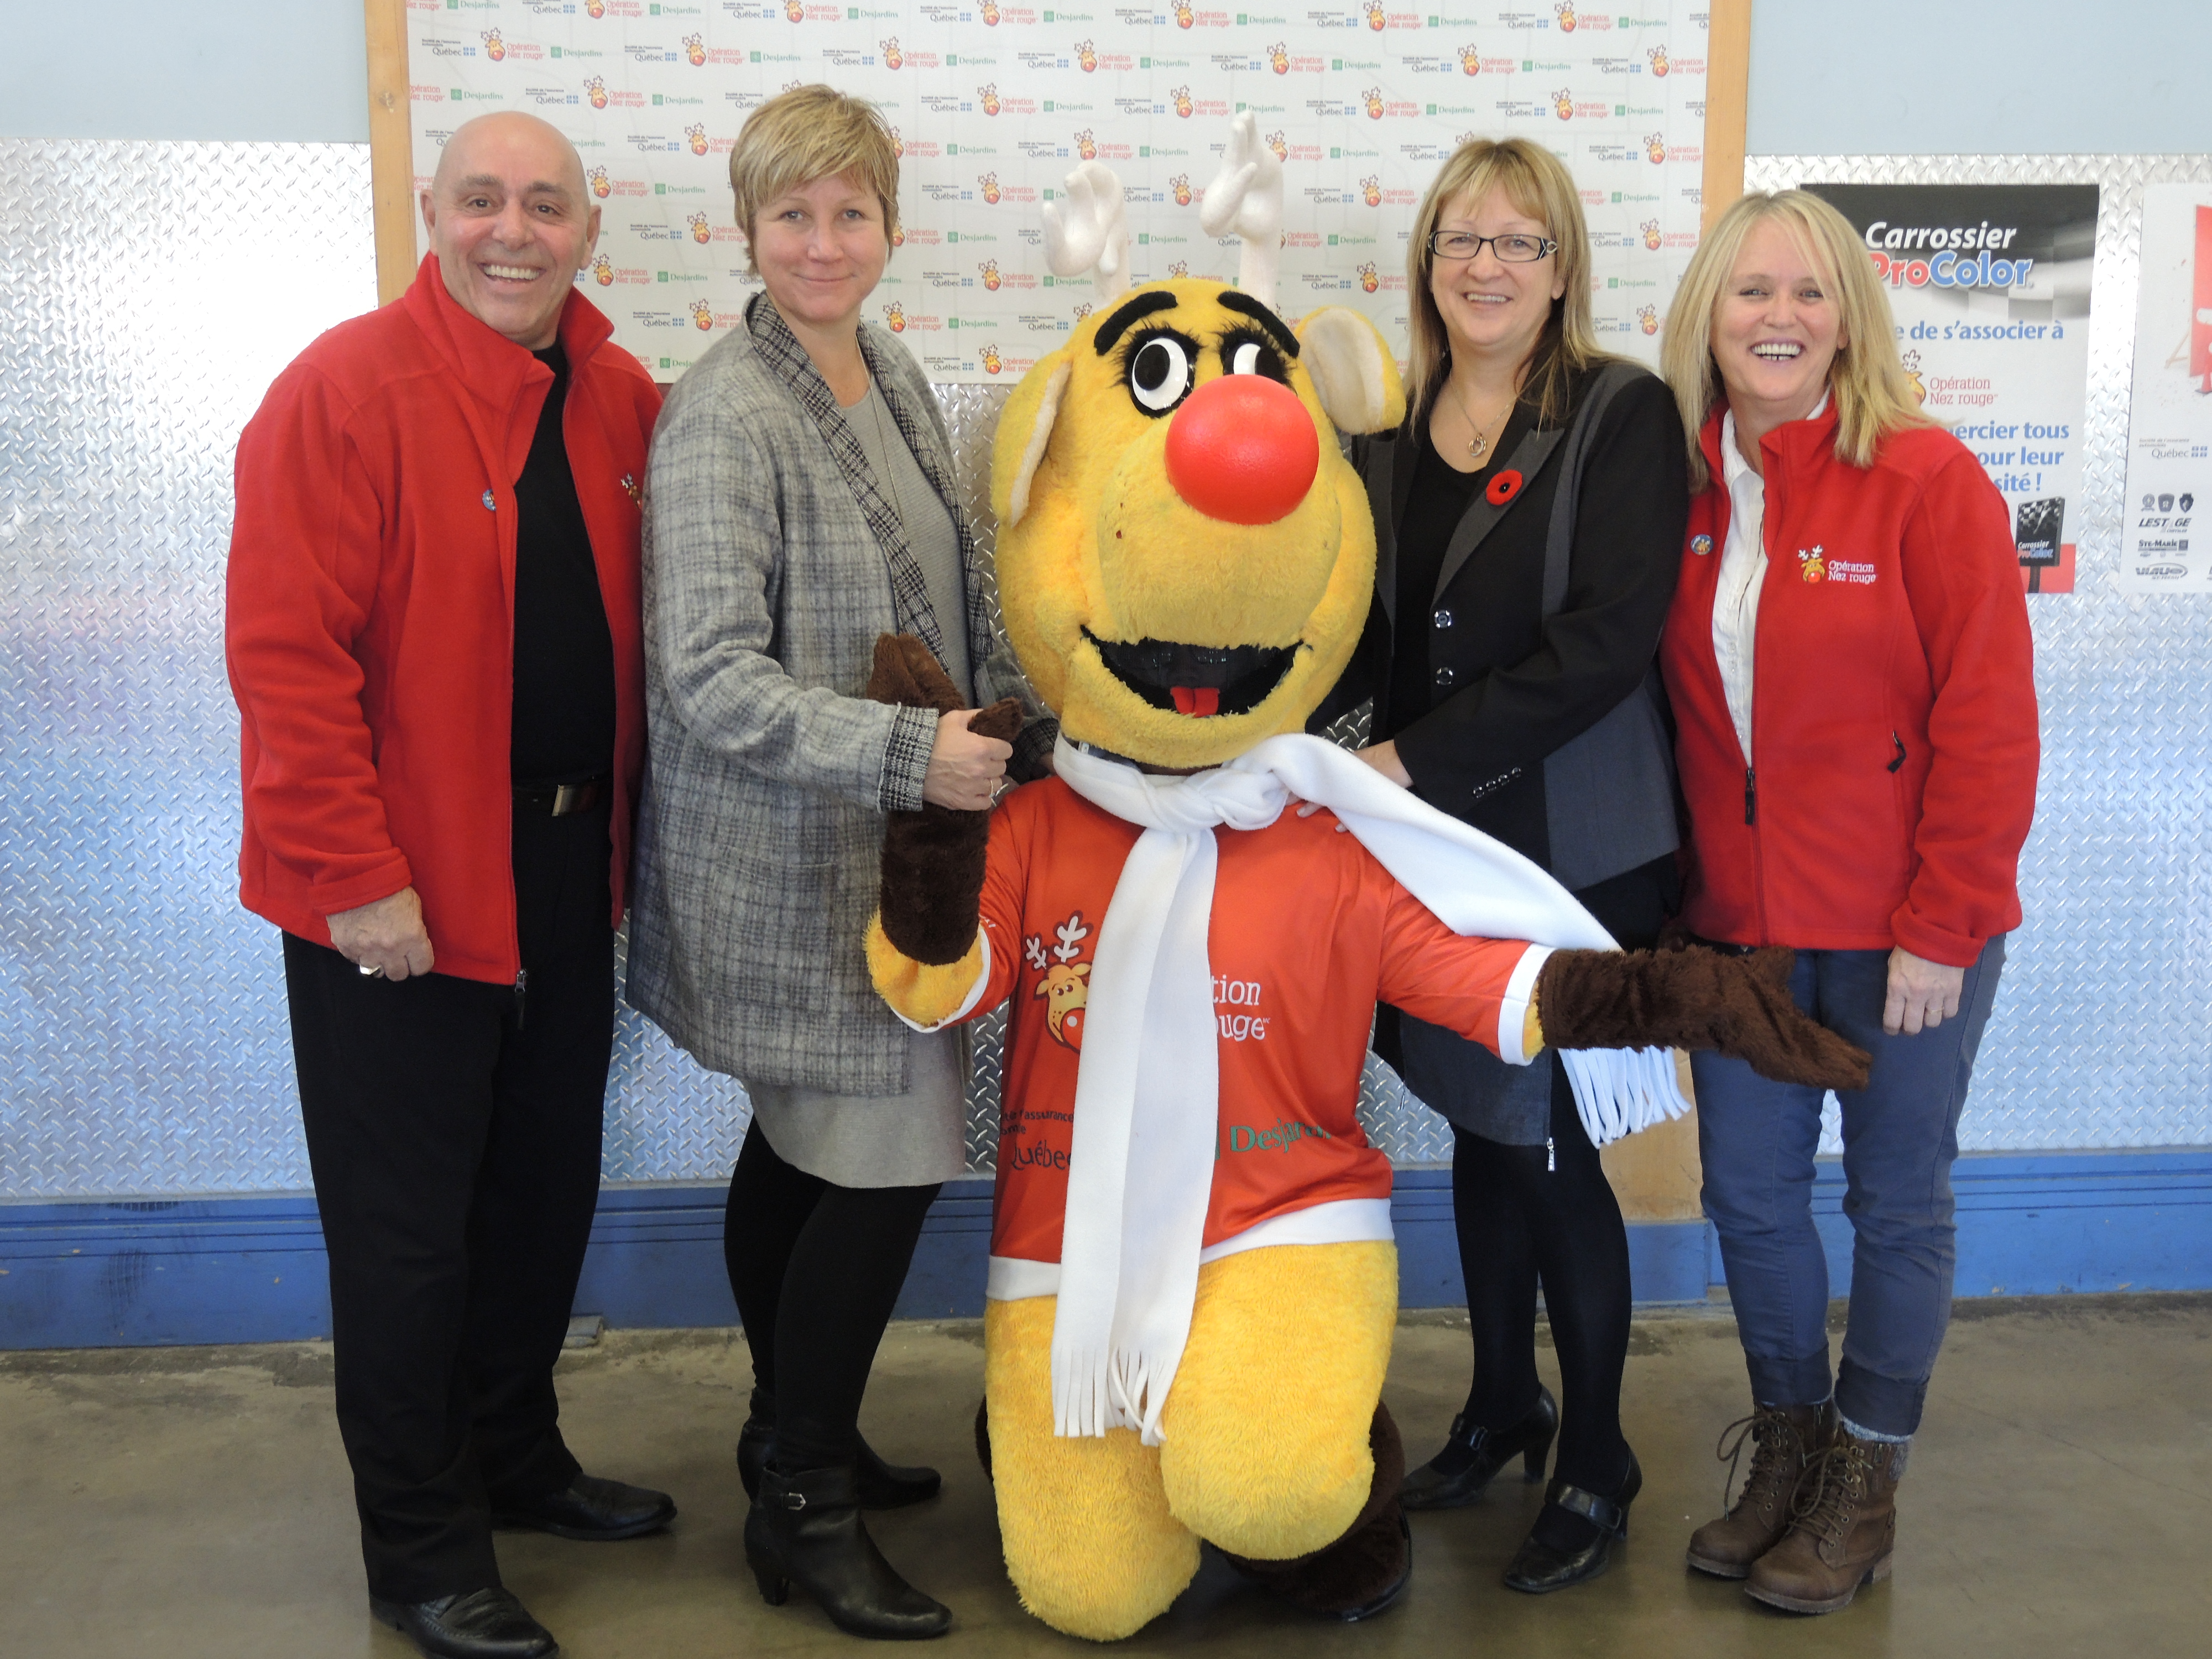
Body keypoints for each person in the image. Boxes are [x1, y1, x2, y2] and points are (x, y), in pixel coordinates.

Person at [226, 113, 674, 1659]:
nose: (513, 231)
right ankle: (421, 1551)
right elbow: (286, 662)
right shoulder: (339, 391)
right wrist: (356, 878)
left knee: (543, 1192)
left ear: (587, 231)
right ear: (432, 211)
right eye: (482, 200)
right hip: (392, 889)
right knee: (410, 1234)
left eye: (545, 206)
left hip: (559, 865)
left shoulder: (622, 400)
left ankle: (516, 1457)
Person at [624, 85, 1051, 1641]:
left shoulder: (894, 368)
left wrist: (1035, 727)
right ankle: (799, 1501)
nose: (824, 240)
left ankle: (788, 1423)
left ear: (889, 226)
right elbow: (710, 674)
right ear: (747, 229)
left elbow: (954, 586)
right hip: (799, 869)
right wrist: (906, 760)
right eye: (793, 213)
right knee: (880, 1169)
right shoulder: (721, 412)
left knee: (799, 1162)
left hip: (908, 849)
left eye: (850, 211)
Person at [1657, 189, 2038, 1614]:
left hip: (1903, 936)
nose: (1779, 318)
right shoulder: (1683, 498)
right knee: (1749, 1203)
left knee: (1894, 1203)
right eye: (1752, 291)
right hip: (1739, 933)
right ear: (1711, 311)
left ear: (1848, 319)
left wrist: (1944, 925)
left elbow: (1991, 724)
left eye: (1809, 293)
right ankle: (1791, 1453)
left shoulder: (1927, 480)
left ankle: (1863, 1482)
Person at [1326, 137, 1688, 1594]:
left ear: (1562, 271)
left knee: (1552, 1152)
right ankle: (1501, 1402)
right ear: (1428, 261)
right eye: (1462, 240)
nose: (1486, 266)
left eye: (1519, 243)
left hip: (1576, 858)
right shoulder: (1389, 428)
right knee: (1482, 1132)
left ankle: (1598, 1456)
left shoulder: (1622, 416)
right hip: (1438, 852)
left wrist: (1405, 764)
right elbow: (1362, 631)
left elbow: (1604, 644)